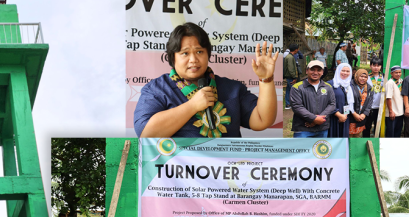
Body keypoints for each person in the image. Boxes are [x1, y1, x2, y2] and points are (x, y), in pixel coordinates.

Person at [134, 22, 277, 137]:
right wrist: (192, 106)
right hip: (180, 170)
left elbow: (262, 120)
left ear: (208, 54)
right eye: (185, 53)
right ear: (172, 57)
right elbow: (146, 133)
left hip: (226, 169)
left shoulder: (231, 88)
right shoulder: (157, 89)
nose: (193, 59)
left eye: (199, 52)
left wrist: (266, 79)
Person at [290, 60, 336, 138]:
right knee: (302, 150)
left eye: (319, 70)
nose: (315, 72)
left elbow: (332, 104)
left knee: (319, 150)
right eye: (312, 69)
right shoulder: (297, 87)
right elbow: (297, 107)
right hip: (303, 129)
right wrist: (314, 119)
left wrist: (319, 119)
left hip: (322, 128)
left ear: (322, 72)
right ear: (307, 71)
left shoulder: (328, 87)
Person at [329, 63, 353, 137]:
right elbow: (327, 102)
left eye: (347, 71)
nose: (345, 73)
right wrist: (339, 115)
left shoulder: (349, 85)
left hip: (345, 117)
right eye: (343, 70)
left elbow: (349, 102)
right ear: (338, 71)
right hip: (333, 117)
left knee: (343, 139)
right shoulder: (330, 84)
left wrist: (345, 115)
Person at [349, 69, 373, 137]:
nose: (363, 78)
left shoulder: (369, 87)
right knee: (349, 138)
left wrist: (364, 114)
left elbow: (370, 103)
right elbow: (347, 102)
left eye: (365, 77)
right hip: (351, 117)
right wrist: (354, 114)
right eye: (361, 76)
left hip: (361, 118)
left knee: (358, 137)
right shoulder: (350, 85)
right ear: (356, 76)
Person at [365, 57, 385, 137]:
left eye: (378, 65)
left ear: (381, 67)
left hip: (380, 107)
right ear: (370, 66)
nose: (376, 68)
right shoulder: (366, 77)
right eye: (374, 65)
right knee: (367, 127)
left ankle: (377, 144)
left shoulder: (384, 76)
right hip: (369, 107)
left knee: (378, 127)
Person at [384, 66, 404, 138]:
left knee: (398, 132)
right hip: (393, 113)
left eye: (399, 72)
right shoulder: (390, 83)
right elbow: (388, 98)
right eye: (396, 73)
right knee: (390, 133)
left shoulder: (401, 81)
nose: (398, 74)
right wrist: (391, 111)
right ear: (391, 73)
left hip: (400, 112)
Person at [284, 44, 300, 110]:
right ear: (296, 50)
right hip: (290, 77)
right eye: (298, 49)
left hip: (289, 76)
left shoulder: (289, 56)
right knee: (293, 90)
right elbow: (291, 69)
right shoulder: (290, 57)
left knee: (288, 90)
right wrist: (294, 77)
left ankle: (288, 104)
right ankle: (293, 104)